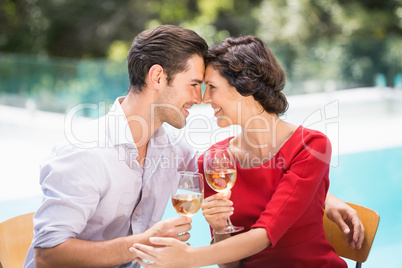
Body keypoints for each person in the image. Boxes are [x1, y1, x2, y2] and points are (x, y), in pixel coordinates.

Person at [130, 36, 364, 268]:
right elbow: (231, 266)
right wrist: (221, 229)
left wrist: (189, 258)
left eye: (212, 87)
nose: (204, 98)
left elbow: (265, 233)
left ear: (245, 86)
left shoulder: (310, 145)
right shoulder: (214, 161)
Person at [24, 25, 208, 268]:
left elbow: (221, 173)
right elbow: (48, 256)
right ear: (157, 77)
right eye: (194, 84)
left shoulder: (174, 150)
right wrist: (145, 242)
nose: (200, 98)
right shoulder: (85, 151)